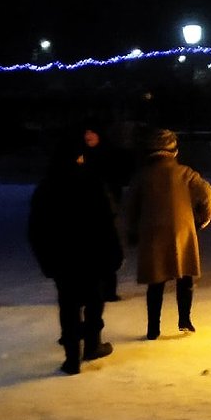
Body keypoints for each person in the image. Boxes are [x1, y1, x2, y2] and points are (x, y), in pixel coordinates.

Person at [28, 130, 124, 375]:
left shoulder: (47, 188)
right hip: (91, 254)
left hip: (63, 258)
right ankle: (91, 345)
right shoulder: (91, 182)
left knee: (68, 304)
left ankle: (72, 357)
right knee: (93, 300)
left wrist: (46, 260)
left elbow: (36, 229)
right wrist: (113, 252)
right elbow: (107, 220)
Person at [123, 128, 211, 339]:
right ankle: (185, 320)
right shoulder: (185, 173)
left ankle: (153, 328)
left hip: (152, 233)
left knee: (156, 282)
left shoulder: (142, 176)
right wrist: (203, 217)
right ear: (173, 150)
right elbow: (207, 193)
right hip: (181, 231)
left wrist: (131, 231)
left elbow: (130, 207)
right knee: (185, 277)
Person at [80, 118, 131, 302]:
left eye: (92, 132)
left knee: (109, 251)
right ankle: (90, 290)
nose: (88, 136)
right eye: (86, 133)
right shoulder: (81, 156)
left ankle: (109, 290)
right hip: (86, 211)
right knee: (89, 253)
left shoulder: (109, 154)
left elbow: (118, 176)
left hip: (107, 210)